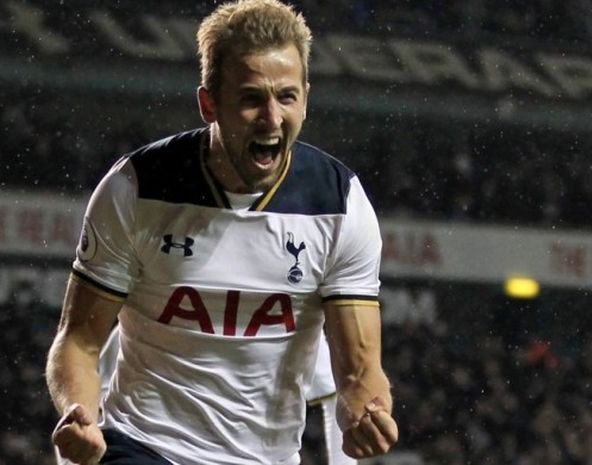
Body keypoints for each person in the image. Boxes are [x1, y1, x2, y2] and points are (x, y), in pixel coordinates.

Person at [45, 1, 398, 464]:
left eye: (287, 97)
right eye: (252, 98)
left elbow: (358, 372)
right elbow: (80, 340)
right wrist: (78, 413)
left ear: (306, 98)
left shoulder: (339, 204)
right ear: (208, 103)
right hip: (145, 445)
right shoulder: (138, 188)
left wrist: (367, 415)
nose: (272, 118)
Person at [55, 330, 357, 465]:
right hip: (151, 453)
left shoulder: (283, 322)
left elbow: (334, 397)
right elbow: (79, 422)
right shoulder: (143, 324)